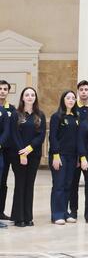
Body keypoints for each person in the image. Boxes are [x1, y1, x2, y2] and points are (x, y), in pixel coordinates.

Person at [10, 87, 46, 227]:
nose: (30, 97)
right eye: (27, 95)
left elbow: (41, 135)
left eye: (32, 95)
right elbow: (14, 135)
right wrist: (22, 153)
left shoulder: (40, 115)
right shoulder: (16, 114)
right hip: (18, 155)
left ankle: (28, 216)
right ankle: (18, 218)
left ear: (35, 98)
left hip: (34, 155)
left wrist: (29, 149)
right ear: (22, 98)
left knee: (29, 185)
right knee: (20, 184)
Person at [49, 90, 79, 224]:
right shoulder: (57, 117)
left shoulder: (76, 117)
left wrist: (78, 157)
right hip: (59, 156)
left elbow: (77, 139)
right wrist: (56, 155)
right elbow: (53, 137)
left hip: (72, 156)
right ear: (63, 100)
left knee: (68, 185)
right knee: (59, 185)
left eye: (73, 98)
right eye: (68, 98)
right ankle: (57, 214)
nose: (71, 100)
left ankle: (65, 212)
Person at [69, 79, 88, 223]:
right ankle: (73, 210)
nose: (84, 92)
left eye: (86, 90)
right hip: (74, 153)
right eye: (81, 90)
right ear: (78, 91)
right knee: (73, 184)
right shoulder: (73, 108)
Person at [0, 80, 16, 226]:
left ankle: (1, 211)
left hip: (8, 151)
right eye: (0, 89)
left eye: (5, 89)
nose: (2, 91)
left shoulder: (12, 109)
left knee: (3, 182)